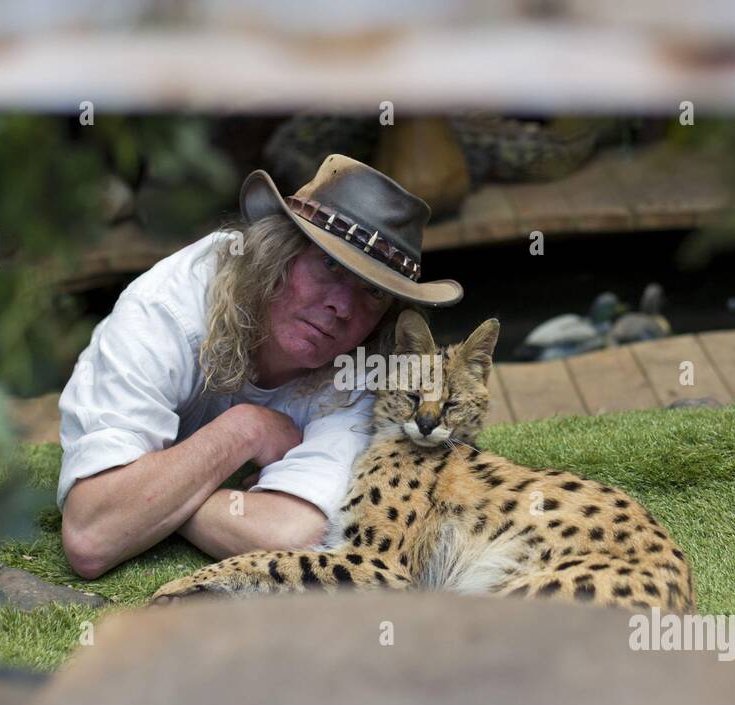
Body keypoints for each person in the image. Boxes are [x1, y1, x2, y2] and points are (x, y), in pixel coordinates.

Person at [58, 154, 464, 579]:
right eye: (329, 264)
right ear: (278, 251)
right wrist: (245, 431)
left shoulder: (369, 369)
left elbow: (297, 536)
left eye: (373, 293)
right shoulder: (168, 307)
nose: (342, 306)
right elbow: (92, 537)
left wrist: (148, 506)